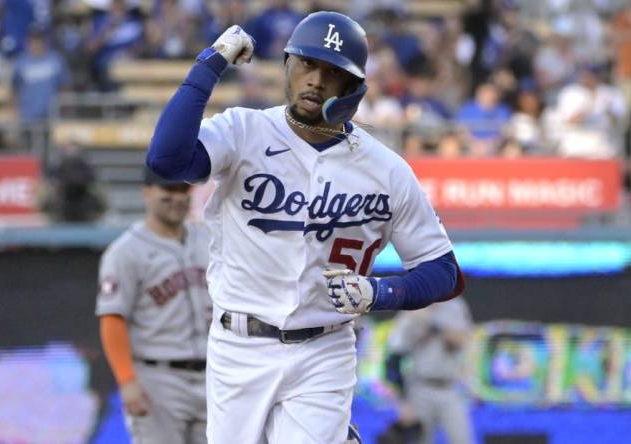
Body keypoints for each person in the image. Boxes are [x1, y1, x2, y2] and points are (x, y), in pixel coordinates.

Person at [146, 11, 465, 444]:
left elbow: (444, 271)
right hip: (239, 343)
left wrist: (380, 291)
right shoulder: (244, 130)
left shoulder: (386, 169)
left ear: (353, 88)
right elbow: (167, 160)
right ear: (287, 66)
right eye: (307, 64)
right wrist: (209, 64)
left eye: (332, 72)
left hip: (324, 346)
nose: (315, 80)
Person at [96, 168, 211, 444]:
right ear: (147, 193)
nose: (177, 198)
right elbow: (112, 318)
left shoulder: (208, 239)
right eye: (167, 191)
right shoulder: (125, 251)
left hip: (213, 375)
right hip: (159, 378)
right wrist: (126, 380)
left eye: (183, 191)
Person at [386, 297, 474, 444]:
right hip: (420, 387)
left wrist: (432, 322)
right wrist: (403, 401)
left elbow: (460, 341)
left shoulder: (454, 306)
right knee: (421, 440)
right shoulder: (412, 306)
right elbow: (393, 359)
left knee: (463, 439)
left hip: (450, 387)